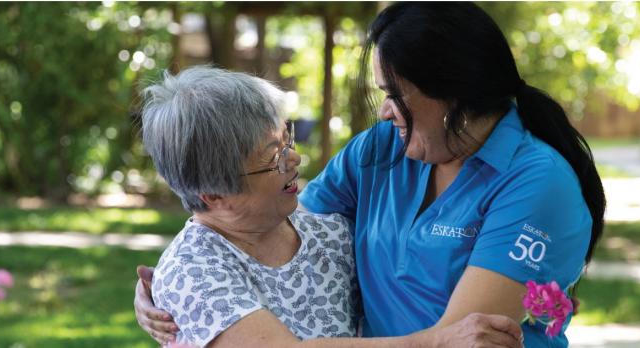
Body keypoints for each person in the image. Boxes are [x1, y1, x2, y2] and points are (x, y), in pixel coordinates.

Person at [137, 3, 605, 347]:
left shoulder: (537, 184)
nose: (384, 111)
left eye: (395, 94)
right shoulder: (382, 151)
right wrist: (176, 291)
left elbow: (464, 342)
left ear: (452, 92)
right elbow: (269, 224)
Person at [137, 66, 523, 348]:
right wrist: (437, 341)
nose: (295, 160)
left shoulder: (328, 233)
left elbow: (409, 270)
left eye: (286, 139)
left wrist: (539, 290)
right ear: (215, 195)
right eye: (274, 157)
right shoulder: (190, 272)